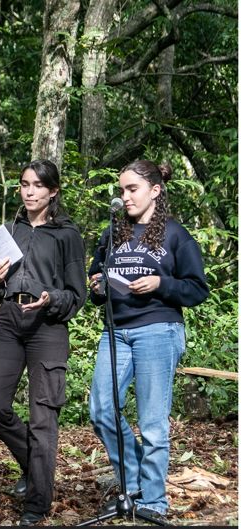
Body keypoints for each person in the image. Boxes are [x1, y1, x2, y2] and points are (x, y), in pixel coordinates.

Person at [85, 161, 210, 523]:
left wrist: (161, 284)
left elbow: (197, 288)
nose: (124, 197)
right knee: (101, 410)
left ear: (155, 190)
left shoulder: (174, 234)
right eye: (122, 190)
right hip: (116, 331)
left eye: (132, 189)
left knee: (152, 423)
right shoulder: (113, 233)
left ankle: (153, 501)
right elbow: (98, 280)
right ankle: (134, 483)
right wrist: (97, 285)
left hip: (158, 330)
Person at [0, 159, 88, 526]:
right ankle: (34, 463)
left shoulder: (67, 234)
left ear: (53, 191)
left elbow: (77, 295)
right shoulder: (10, 229)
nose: (29, 191)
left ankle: (37, 504)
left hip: (48, 325)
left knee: (44, 416)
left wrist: (51, 299)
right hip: (10, 319)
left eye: (37, 185)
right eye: (24, 184)